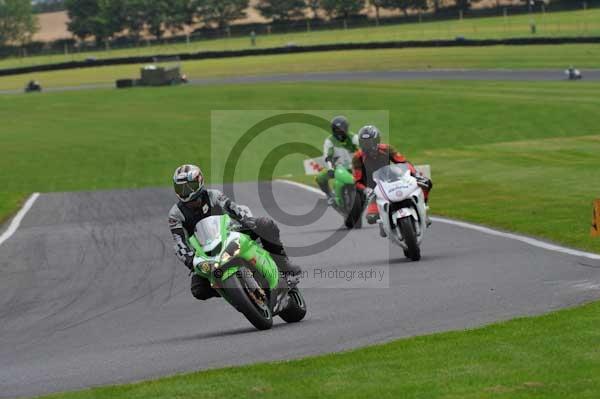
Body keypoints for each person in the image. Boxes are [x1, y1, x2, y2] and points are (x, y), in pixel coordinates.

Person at [168, 164, 301, 301]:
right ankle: (235, 292)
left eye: (190, 186)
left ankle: (283, 264)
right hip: (205, 252)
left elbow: (234, 209)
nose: (186, 191)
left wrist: (248, 221)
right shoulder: (175, 214)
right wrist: (191, 261)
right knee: (198, 290)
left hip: (230, 233)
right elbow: (179, 242)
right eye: (181, 188)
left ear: (200, 181)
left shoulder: (213, 195)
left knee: (265, 224)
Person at [352, 125, 432, 225]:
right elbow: (357, 180)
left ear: (377, 140)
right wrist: (365, 190)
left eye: (369, 143)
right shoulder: (357, 157)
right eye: (364, 143)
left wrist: (415, 174)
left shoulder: (386, 149)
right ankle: (384, 222)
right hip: (372, 186)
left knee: (426, 182)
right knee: (371, 218)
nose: (367, 146)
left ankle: (423, 209)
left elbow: (404, 163)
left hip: (389, 176)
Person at [316, 116, 359, 206]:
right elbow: (327, 156)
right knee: (320, 177)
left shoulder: (354, 138)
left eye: (341, 130)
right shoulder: (329, 141)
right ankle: (330, 195)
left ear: (346, 129)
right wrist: (330, 168)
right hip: (337, 168)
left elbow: (364, 151)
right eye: (336, 130)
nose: (339, 133)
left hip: (355, 167)